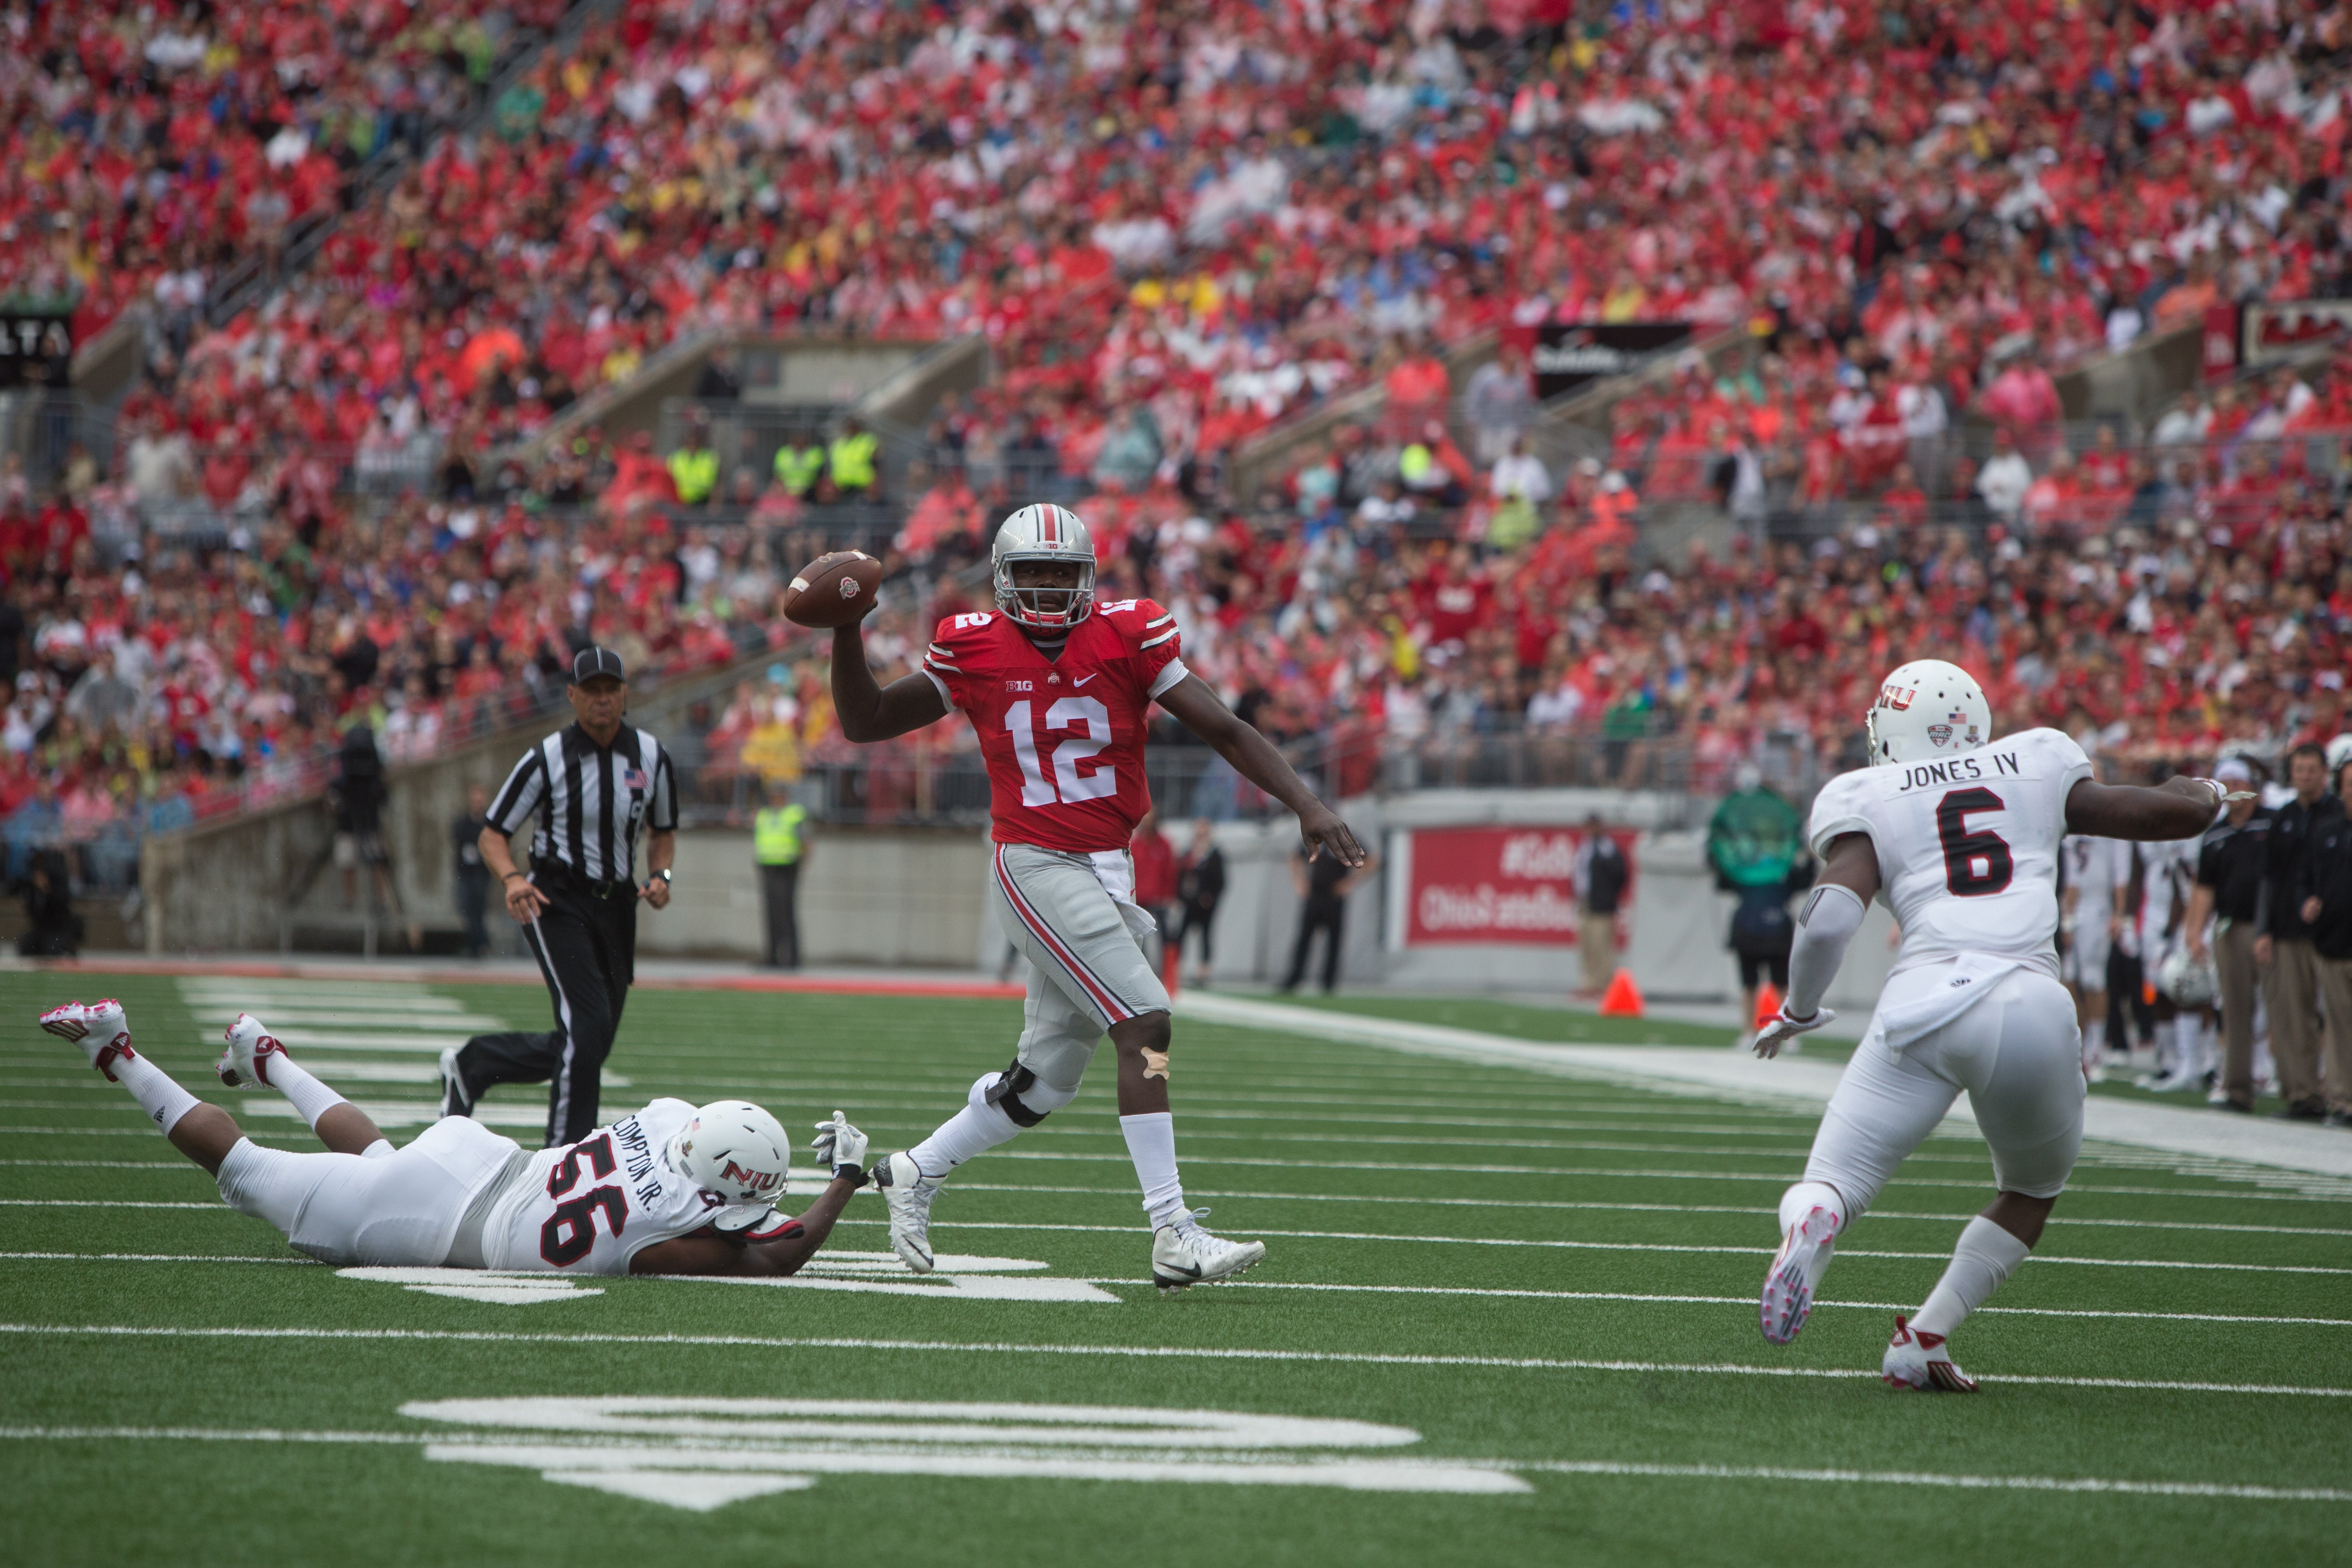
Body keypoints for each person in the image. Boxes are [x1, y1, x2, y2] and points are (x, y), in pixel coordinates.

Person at [827, 502, 1365, 1288]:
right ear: (1003, 579)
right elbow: (865, 720)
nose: (1046, 587)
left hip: (1106, 865)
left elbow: (1222, 727)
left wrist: (1304, 800)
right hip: (1035, 861)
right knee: (1144, 1020)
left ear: (1087, 578)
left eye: (1060, 572)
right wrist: (846, 631)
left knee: (1043, 1082)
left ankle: (915, 1169)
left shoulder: (1128, 633)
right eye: (1031, 572)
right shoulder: (971, 645)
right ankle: (1173, 1231)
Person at [1748, 659, 2226, 1389]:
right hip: (2026, 1003)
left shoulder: (1866, 792)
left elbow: (1826, 922)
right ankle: (1924, 1336)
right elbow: (2165, 815)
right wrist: (2209, 794)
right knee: (2032, 1188)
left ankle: (1814, 1225)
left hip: (1921, 1005)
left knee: (1833, 1182)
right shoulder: (2034, 761)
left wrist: (1800, 1008)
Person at [39, 999, 870, 1277]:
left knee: (377, 1161)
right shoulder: (667, 1243)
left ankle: (268, 1058)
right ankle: (115, 1050)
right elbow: (776, 1253)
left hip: (479, 1152)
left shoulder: (664, 1115)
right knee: (248, 1174)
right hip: (454, 1226)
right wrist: (845, 1180)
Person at [444, 647, 678, 1147]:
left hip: (617, 906)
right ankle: (563, 1159)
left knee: (591, 1041)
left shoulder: (652, 756)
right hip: (555, 899)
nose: (601, 700)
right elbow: (493, 833)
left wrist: (662, 875)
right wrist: (511, 879)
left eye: (610, 690)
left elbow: (664, 830)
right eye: (590, 691)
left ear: (624, 694)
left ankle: (474, 1065)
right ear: (572, 696)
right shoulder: (546, 757)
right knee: (587, 1026)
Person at [2257, 742, 2336, 1121]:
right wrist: (2264, 929)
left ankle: (2339, 1093)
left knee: (2335, 1015)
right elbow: (2270, 878)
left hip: (2333, 931)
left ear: (2325, 773)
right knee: (2294, 1015)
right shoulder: (2283, 816)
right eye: (2299, 769)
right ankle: (2304, 1094)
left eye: (2311, 769)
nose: (2305, 776)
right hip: (2288, 928)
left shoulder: (2338, 814)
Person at [2187, 760, 2270, 1112]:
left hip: (2271, 929)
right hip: (2229, 927)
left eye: (2238, 781)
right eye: (2226, 782)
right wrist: (2194, 931)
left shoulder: (2273, 821)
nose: (2233, 787)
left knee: (2281, 1008)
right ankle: (2237, 1086)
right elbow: (2204, 888)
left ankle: (2298, 1084)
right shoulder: (2216, 834)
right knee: (2233, 1010)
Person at [1707, 764, 1809, 1044]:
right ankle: (1747, 1031)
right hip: (1750, 927)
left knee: (1781, 984)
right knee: (1749, 984)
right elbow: (1722, 878)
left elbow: (1803, 880)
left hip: (1774, 929)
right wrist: (1715, 846)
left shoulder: (1782, 866)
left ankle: (1787, 1033)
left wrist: (1806, 852)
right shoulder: (1744, 867)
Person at [2293, 782, 2352, 1128]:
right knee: (2338, 1026)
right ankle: (2343, 1100)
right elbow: (2304, 879)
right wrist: (2307, 902)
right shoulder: (2327, 831)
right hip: (2333, 941)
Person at [2058, 821, 2130, 1078]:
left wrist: (2119, 912)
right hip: (2070, 905)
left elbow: (2121, 871)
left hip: (2097, 906)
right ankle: (2076, 1045)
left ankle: (2096, 1048)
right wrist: (2065, 911)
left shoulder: (2110, 819)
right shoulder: (2070, 818)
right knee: (2067, 979)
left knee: (2093, 979)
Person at [1282, 836, 1377, 994]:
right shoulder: (1316, 837)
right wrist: (1299, 882)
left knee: (1334, 941)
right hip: (1315, 894)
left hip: (1334, 896)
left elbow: (1372, 860)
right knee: (1304, 939)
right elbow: (1295, 857)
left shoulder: (1346, 838)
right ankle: (1295, 978)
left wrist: (1350, 883)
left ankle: (1328, 982)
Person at [331, 720, 393, 912]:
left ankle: (381, 902)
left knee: (377, 863)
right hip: (347, 826)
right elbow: (333, 801)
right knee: (347, 863)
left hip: (371, 824)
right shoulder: (342, 778)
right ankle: (350, 902)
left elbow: (384, 799)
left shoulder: (376, 777)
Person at [1571, 815, 1630, 996]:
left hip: (1602, 905)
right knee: (1586, 945)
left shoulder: (1607, 848)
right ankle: (1588, 983)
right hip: (1586, 903)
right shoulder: (1585, 848)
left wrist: (1608, 895)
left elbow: (1620, 874)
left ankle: (1604, 984)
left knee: (1601, 946)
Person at [754, 785, 808, 969]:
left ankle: (792, 958)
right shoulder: (764, 815)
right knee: (771, 914)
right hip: (768, 867)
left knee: (786, 913)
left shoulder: (795, 814)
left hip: (787, 868)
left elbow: (806, 841)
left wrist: (800, 864)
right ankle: (773, 957)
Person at [1175, 818, 1225, 986]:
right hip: (1189, 903)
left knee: (1206, 936)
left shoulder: (1214, 855)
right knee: (1181, 935)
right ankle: (1176, 970)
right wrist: (1180, 896)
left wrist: (1210, 897)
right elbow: (1180, 876)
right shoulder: (1189, 853)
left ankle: (1203, 971)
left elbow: (1220, 881)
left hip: (1206, 905)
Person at [1130, 809, 1179, 970]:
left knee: (1165, 938)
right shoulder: (1135, 845)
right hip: (1141, 899)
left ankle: (1167, 972)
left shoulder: (1163, 844)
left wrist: (1169, 896)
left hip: (1159, 900)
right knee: (1139, 938)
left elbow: (1170, 872)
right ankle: (1145, 970)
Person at [452, 782, 494, 959]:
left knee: (479, 910)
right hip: (466, 874)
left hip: (481, 874)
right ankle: (478, 944)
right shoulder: (463, 823)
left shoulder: (487, 824)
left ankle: (479, 945)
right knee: (467, 910)